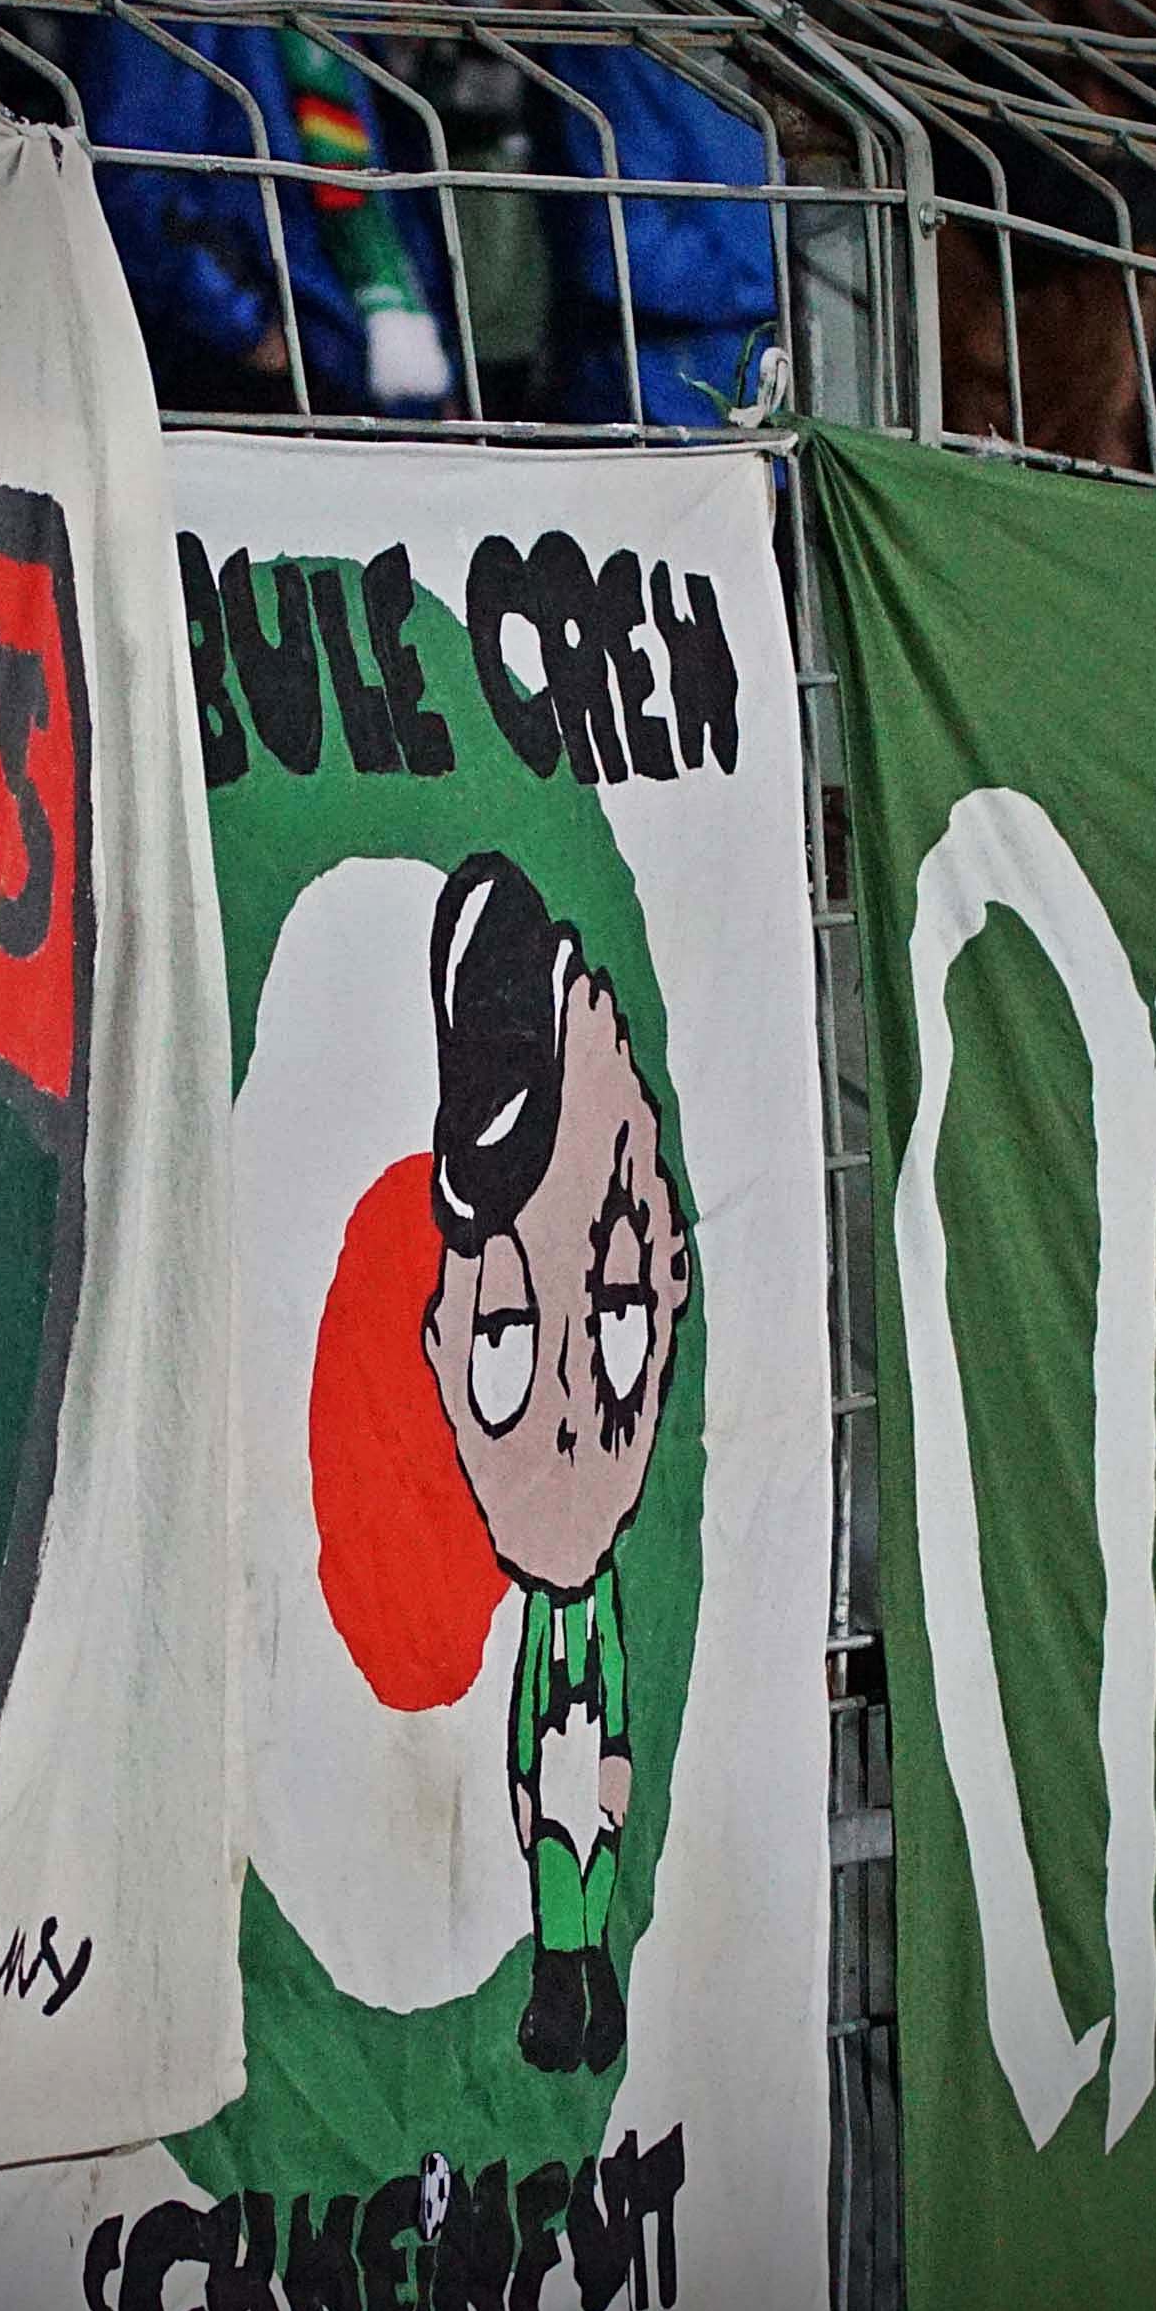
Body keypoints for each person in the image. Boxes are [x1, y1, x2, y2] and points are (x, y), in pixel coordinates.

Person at [417, 855, 690, 2079]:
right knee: (558, 1864)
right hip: (557, 1767)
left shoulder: (593, 1605)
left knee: (587, 1855)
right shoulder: (550, 1613)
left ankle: (586, 1975)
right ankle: (563, 1973)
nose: (574, 1414)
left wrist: (607, 1761)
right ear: (444, 1350)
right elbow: (545, 1692)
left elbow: (605, 1679)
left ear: (670, 1290)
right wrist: (536, 1775)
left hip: (587, 1766)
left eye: (619, 1312)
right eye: (506, 1341)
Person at [71, 0, 461, 416]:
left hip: (357, 341)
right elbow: (132, 161)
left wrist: (436, 344)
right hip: (252, 356)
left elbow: (383, 169)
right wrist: (246, 327)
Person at [536, 0, 791, 426]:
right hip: (664, 394)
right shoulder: (620, 38)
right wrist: (783, 284)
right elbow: (623, 251)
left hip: (765, 378)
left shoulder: (770, 26)